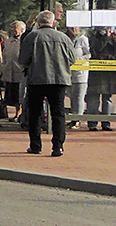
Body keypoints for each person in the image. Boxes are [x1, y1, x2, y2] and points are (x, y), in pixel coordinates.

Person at [18, 10, 74, 156]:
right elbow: (72, 59)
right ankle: (58, 146)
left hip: (36, 79)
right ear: (53, 23)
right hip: (59, 80)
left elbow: (23, 60)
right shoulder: (64, 38)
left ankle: (35, 145)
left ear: (38, 22)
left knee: (35, 113)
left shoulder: (31, 37)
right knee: (58, 114)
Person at [85, 26, 116, 131]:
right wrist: (106, 37)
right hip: (96, 73)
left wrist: (115, 39)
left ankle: (106, 122)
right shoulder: (93, 36)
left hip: (109, 74)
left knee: (107, 99)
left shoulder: (113, 38)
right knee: (93, 98)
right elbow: (96, 49)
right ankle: (92, 122)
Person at [65, 26, 90, 129]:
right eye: (71, 27)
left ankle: (78, 119)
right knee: (72, 96)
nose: (73, 29)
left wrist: (77, 59)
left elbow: (88, 54)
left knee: (79, 96)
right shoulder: (65, 38)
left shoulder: (83, 39)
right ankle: (73, 118)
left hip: (81, 73)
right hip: (69, 72)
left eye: (75, 27)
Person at [1, 20, 26, 121]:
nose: (13, 30)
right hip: (9, 71)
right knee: (11, 95)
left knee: (19, 94)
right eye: (12, 28)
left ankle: (19, 113)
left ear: (21, 29)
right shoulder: (8, 41)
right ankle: (15, 114)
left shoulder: (24, 41)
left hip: (19, 72)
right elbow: (4, 55)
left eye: (15, 28)